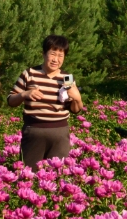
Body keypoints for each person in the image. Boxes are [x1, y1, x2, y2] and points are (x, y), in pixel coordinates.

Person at [8, 35, 83, 167]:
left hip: (60, 134)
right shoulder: (29, 74)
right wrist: (24, 94)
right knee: (28, 173)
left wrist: (78, 98)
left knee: (58, 175)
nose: (56, 59)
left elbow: (75, 109)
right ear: (43, 54)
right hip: (34, 132)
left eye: (61, 55)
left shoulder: (67, 78)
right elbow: (10, 101)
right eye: (53, 54)